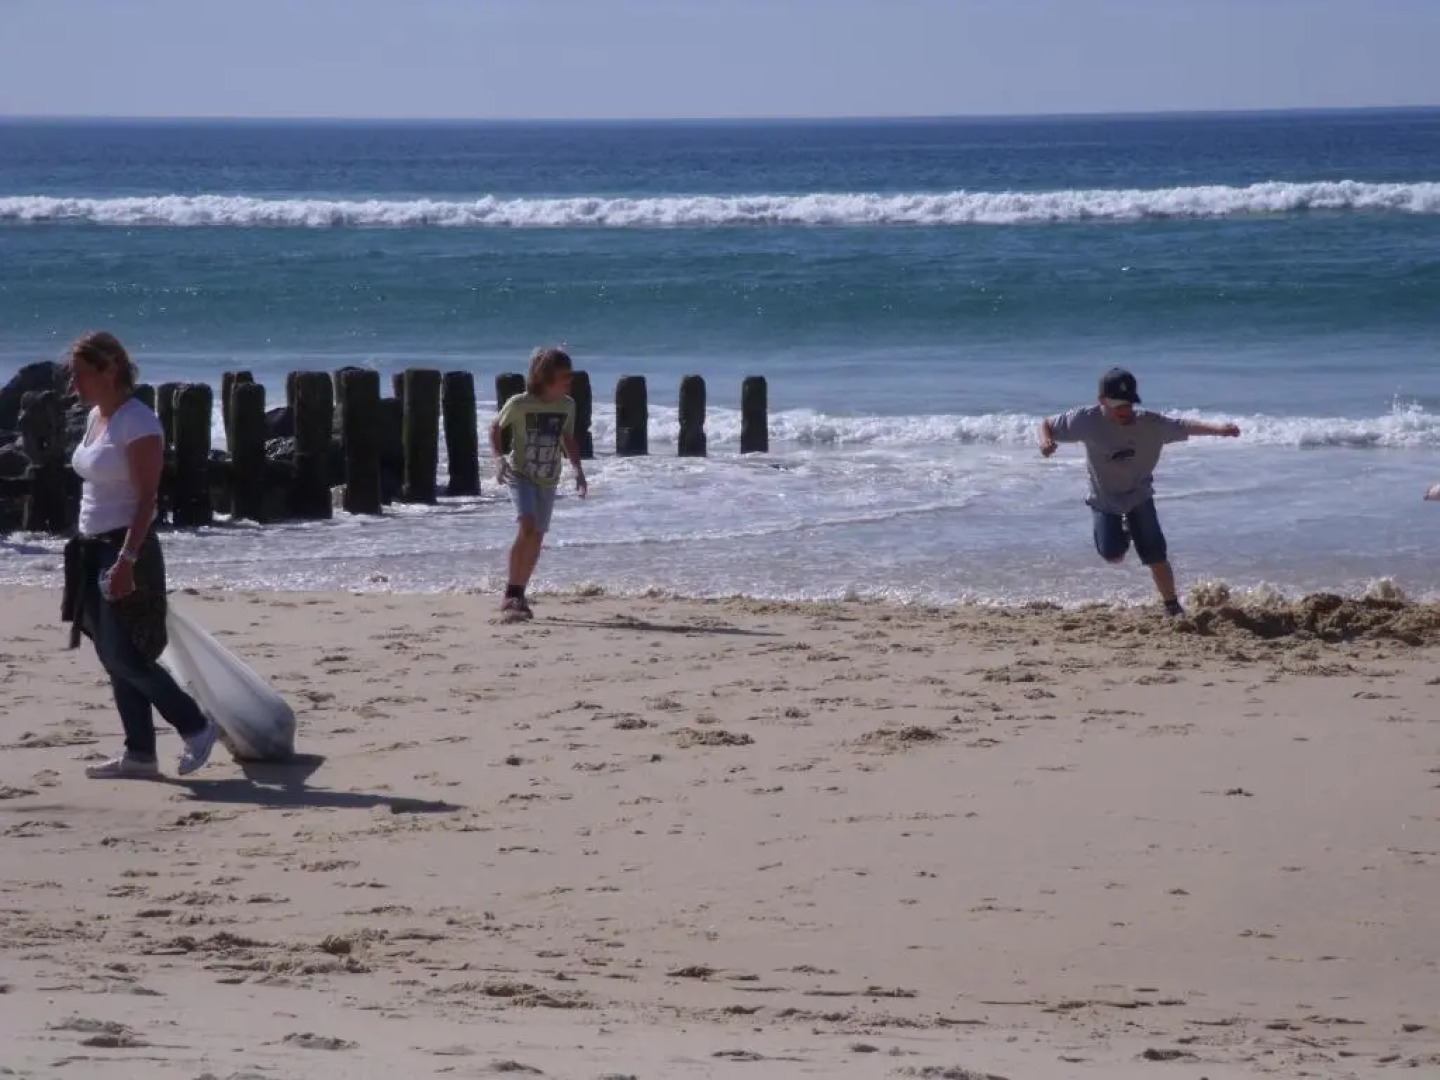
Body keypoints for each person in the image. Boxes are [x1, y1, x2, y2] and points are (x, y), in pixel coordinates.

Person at [63, 331, 218, 778]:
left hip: (124, 548)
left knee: (126, 654)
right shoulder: (97, 417)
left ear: (110, 370)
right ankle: (140, 755)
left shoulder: (138, 422)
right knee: (112, 656)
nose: (74, 385)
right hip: (90, 546)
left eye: (81, 375)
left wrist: (126, 561)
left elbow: (147, 498)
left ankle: (195, 724)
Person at [1038, 367, 1241, 616]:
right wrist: (1046, 442)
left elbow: (1184, 426)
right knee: (1111, 554)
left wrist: (1219, 429)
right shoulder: (1085, 420)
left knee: (1155, 554)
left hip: (1139, 495)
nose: (1125, 411)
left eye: (1129, 404)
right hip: (1105, 499)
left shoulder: (1150, 424)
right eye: (1118, 405)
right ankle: (1123, 531)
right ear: (1102, 401)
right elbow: (1046, 424)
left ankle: (1172, 605)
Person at [489, 347, 587, 620]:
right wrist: (498, 459)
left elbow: (568, 438)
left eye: (570, 375)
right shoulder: (520, 403)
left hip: (549, 478)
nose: (569, 380)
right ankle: (510, 592)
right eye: (563, 375)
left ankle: (519, 593)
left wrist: (577, 470)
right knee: (527, 524)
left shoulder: (567, 405)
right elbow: (495, 427)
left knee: (538, 536)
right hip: (520, 474)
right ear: (544, 377)